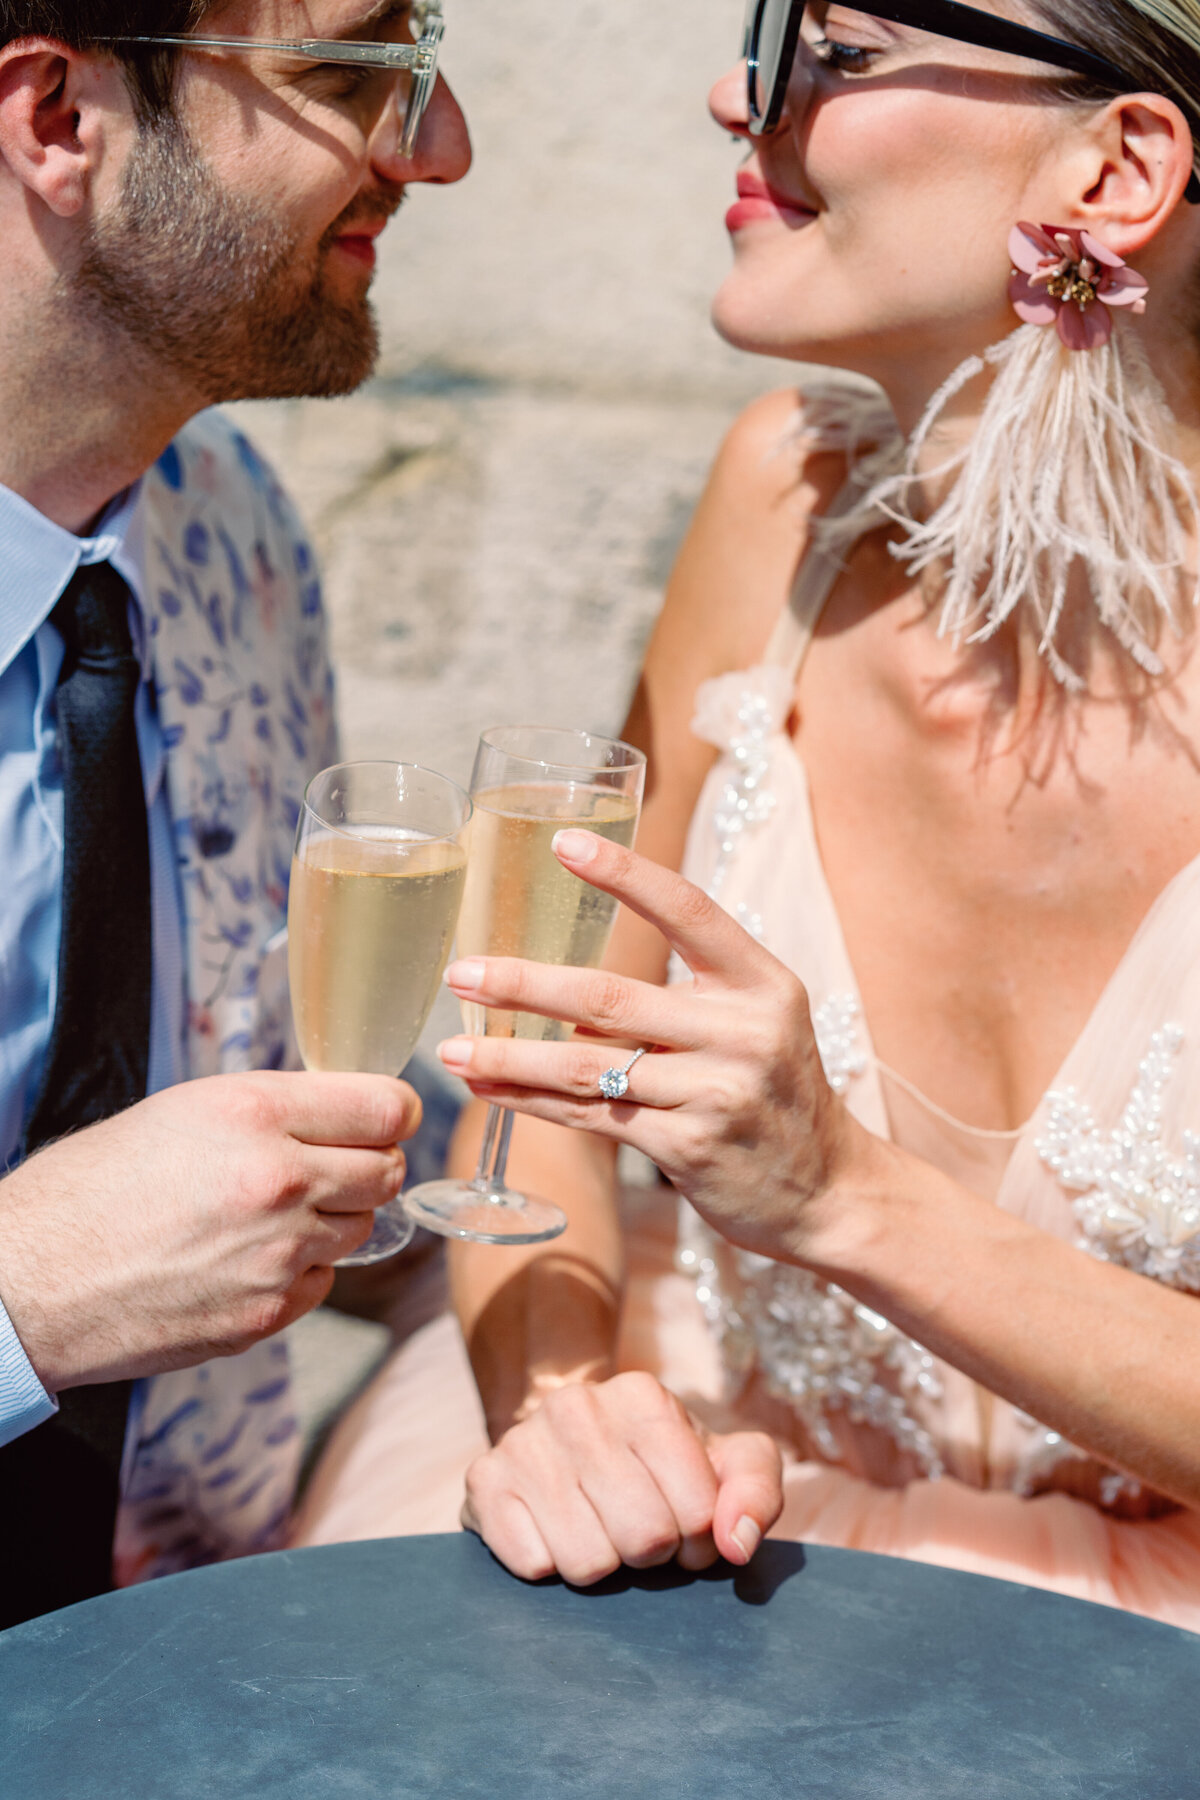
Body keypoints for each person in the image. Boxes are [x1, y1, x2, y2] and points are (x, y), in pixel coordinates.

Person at [295, 0, 1200, 1632]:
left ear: (1119, 166)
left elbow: (815, 1180)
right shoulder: (772, 493)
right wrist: (571, 1409)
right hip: (728, 1522)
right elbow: (545, 1096)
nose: (737, 94)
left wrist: (842, 1195)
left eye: (829, 53)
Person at [0, 0, 470, 1626]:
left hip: (199, 1656)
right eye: (350, 74)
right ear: (60, 118)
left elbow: (251, 1062)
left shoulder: (236, 531)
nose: (440, 149)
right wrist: (24, 1295)